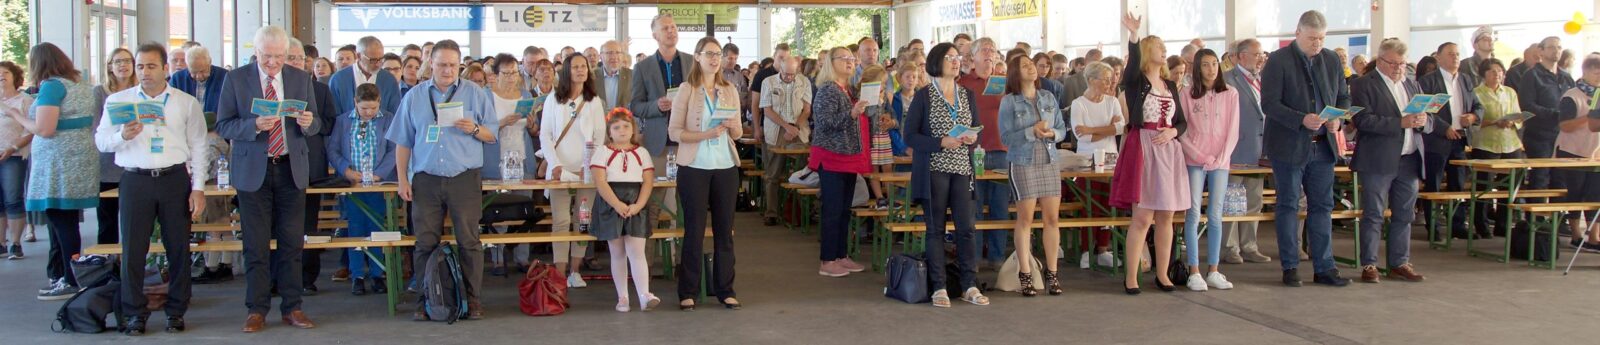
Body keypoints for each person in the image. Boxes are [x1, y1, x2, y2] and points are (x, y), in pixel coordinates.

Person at [94, 42, 208, 335]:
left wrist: (198, 189)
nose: (144, 72)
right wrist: (122, 134)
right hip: (135, 179)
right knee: (133, 249)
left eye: (151, 66)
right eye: (140, 66)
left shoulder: (185, 102)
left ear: (165, 68)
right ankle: (134, 313)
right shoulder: (119, 101)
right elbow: (101, 141)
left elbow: (198, 146)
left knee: (178, 248)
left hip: (174, 179)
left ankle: (176, 311)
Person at [214, 26, 321, 332]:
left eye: (279, 56)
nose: (273, 63)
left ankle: (293, 307)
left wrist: (308, 121)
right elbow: (223, 125)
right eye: (267, 56)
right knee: (256, 245)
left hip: (291, 169)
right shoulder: (236, 79)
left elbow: (315, 125)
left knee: (291, 243)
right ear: (256, 52)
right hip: (253, 171)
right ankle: (257, 309)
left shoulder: (301, 78)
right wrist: (253, 126)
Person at [385, 39, 496, 321]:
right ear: (430, 64)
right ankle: (425, 302)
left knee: (470, 241)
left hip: (464, 178)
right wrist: (402, 180)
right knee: (424, 242)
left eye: (452, 65)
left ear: (459, 65)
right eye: (441, 64)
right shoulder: (414, 96)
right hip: (426, 180)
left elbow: (491, 134)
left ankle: (474, 301)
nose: (447, 70)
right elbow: (402, 142)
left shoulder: (476, 93)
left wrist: (474, 128)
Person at [1261, 10, 1352, 287]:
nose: (1317, 44)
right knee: (1288, 205)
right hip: (1288, 145)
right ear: (1298, 33)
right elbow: (1270, 104)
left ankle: (1325, 267)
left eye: (1322, 38)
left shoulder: (1332, 59)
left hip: (1323, 147)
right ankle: (1290, 266)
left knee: (1323, 206)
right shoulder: (1278, 61)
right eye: (1312, 38)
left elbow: (1343, 97)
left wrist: (1338, 117)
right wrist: (1301, 119)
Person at [10, 43, 100, 301]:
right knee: (67, 220)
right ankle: (66, 276)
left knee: (61, 221)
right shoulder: (81, 84)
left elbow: (45, 128)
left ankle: (70, 279)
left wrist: (17, 116)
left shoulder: (52, 86)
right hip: (79, 155)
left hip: (58, 162)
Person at [1108, 13, 1188, 295]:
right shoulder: (1136, 81)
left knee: (1166, 215)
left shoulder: (1171, 86)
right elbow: (1129, 71)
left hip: (1168, 150)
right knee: (1142, 216)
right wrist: (1134, 36)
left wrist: (1173, 133)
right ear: (1146, 51)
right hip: (1144, 147)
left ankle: (1163, 274)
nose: (1164, 51)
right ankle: (1132, 275)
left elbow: (1182, 122)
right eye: (1158, 46)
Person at [906, 42, 987, 308]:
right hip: (934, 170)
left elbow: (977, 130)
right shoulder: (924, 96)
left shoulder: (967, 95)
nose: (955, 61)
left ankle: (969, 285)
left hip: (962, 169)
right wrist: (940, 142)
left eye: (957, 57)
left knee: (967, 229)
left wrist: (972, 137)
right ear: (937, 62)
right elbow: (911, 137)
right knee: (936, 230)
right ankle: (939, 285)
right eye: (950, 57)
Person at [667, 36, 744, 311]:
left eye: (718, 54)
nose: (715, 58)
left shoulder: (730, 89)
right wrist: (705, 134)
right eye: (709, 53)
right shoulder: (686, 89)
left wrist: (731, 124)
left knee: (725, 231)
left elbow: (738, 133)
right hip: (694, 168)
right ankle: (687, 291)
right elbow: (674, 132)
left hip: (725, 166)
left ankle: (726, 289)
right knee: (695, 231)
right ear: (697, 57)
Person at [1349, 38, 1432, 283]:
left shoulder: (1412, 86)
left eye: (1402, 63)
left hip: (1409, 159)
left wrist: (1424, 121)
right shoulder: (1364, 84)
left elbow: (1430, 121)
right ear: (1381, 60)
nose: (1398, 68)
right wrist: (1400, 123)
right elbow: (1363, 121)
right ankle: (1369, 264)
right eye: (1393, 63)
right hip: (1377, 159)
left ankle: (1399, 262)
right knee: (1374, 213)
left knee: (1404, 214)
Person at [999, 53, 1068, 296]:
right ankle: (1025, 272)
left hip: (1049, 159)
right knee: (1025, 219)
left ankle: (1052, 273)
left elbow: (1061, 128)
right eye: (1025, 66)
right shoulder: (1010, 102)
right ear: (1015, 73)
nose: (1032, 68)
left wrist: (1053, 135)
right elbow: (1006, 138)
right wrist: (1032, 130)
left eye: (1032, 65)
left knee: (1052, 219)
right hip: (1023, 161)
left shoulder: (1048, 97)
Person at [1175, 48, 1239, 291]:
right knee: (1192, 214)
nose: (1211, 69)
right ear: (1197, 68)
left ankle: (1214, 269)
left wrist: (1221, 157)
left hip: (1220, 163)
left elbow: (1233, 130)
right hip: (1194, 161)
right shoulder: (1187, 94)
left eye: (1214, 64)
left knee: (1215, 215)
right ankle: (1194, 271)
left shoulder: (1230, 93)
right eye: (1205, 64)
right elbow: (1181, 130)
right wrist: (1200, 155)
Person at [540, 53, 606, 288]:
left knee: (583, 219)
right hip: (559, 169)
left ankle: (575, 271)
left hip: (585, 171)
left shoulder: (594, 101)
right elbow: (545, 135)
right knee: (560, 220)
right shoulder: (553, 99)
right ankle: (559, 273)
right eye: (576, 67)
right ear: (567, 71)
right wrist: (555, 164)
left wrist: (587, 166)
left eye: (584, 66)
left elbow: (599, 136)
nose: (580, 70)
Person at [327, 83, 396, 296]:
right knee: (354, 228)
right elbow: (333, 149)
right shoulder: (342, 121)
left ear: (379, 104)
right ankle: (357, 274)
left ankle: (378, 273)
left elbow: (395, 150)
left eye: (373, 108)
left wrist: (379, 174)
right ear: (355, 103)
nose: (369, 112)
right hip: (352, 185)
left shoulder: (388, 119)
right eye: (364, 108)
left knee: (377, 226)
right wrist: (346, 171)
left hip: (377, 183)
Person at [810, 46, 871, 278]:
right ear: (831, 63)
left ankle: (841, 255)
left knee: (845, 209)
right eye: (843, 58)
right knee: (833, 210)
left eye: (851, 58)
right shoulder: (827, 89)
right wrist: (852, 114)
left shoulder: (848, 89)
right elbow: (824, 123)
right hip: (832, 156)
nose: (849, 62)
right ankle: (827, 260)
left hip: (847, 156)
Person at [591, 108, 659, 312]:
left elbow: (648, 182)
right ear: (609, 131)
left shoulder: (642, 153)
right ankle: (623, 297)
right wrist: (617, 204)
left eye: (626, 126)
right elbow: (600, 182)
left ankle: (644, 294)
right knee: (617, 252)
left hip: (635, 200)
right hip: (611, 202)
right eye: (616, 127)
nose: (622, 131)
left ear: (633, 130)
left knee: (637, 250)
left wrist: (638, 205)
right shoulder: (602, 152)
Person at [631, 14, 693, 236]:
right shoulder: (643, 67)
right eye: (665, 28)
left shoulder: (691, 61)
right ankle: (646, 263)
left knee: (687, 203)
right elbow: (635, 106)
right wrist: (656, 106)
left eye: (674, 27)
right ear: (655, 35)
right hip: (657, 144)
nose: (671, 31)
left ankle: (683, 264)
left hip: (687, 141)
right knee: (654, 204)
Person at [955, 37, 1011, 268]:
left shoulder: (1004, 83)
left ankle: (997, 257)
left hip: (1000, 149)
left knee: (1000, 207)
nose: (989, 54)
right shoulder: (963, 83)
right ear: (973, 56)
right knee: (973, 207)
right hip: (971, 151)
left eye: (993, 50)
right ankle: (974, 258)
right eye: (984, 50)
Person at [1419, 42, 1482, 241]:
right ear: (1438, 57)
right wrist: (1443, 127)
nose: (1455, 58)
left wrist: (1472, 117)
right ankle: (1434, 226)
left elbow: (1478, 106)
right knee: (1434, 185)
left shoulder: (1466, 80)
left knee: (1458, 184)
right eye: (1450, 54)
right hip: (1437, 140)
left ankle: (1457, 225)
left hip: (1460, 139)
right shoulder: (1428, 81)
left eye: (1457, 54)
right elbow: (1424, 110)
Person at [1219, 38, 1273, 264]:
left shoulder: (1264, 80)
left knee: (1254, 199)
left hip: (1260, 149)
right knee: (1232, 199)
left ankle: (1250, 246)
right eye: (1256, 54)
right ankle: (1229, 248)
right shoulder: (1227, 80)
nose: (1261, 58)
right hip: (1236, 148)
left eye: (1261, 54)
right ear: (1241, 56)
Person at [1069, 61, 1124, 269]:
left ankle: (1102, 248)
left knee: (1108, 205)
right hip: (1086, 161)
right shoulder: (1079, 103)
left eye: (1111, 79)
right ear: (1092, 80)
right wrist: (1107, 128)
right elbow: (1081, 135)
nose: (1110, 83)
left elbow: (1120, 128)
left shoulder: (1112, 101)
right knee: (1088, 206)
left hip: (1111, 160)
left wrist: (1094, 129)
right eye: (1105, 79)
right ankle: (1085, 249)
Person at [1468, 59, 1526, 240]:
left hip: (1510, 143)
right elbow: (1474, 120)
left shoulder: (1509, 92)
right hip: (1486, 143)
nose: (1497, 75)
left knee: (1509, 186)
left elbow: (1519, 115)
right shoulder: (1476, 93)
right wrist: (1494, 122)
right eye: (1492, 71)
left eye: (1500, 71)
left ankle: (1503, 224)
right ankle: (1481, 224)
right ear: (1484, 74)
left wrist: (1513, 121)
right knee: (1483, 186)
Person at [1516, 37, 1574, 202]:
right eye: (1551, 47)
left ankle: (1559, 220)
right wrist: (1555, 114)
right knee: (1540, 176)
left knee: (1561, 177)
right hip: (1539, 135)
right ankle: (1535, 220)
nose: (1556, 50)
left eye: (1559, 47)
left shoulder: (1566, 76)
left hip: (1563, 135)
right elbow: (1527, 105)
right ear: (1541, 51)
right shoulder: (1532, 75)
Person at [759, 54, 812, 225]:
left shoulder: (804, 82)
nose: (789, 77)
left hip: (798, 130)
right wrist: (786, 126)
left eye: (792, 74)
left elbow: (807, 109)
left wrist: (795, 127)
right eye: (786, 74)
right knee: (773, 174)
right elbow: (767, 110)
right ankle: (772, 212)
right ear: (779, 69)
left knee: (802, 173)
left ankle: (799, 213)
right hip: (776, 130)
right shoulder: (768, 82)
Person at [1554, 55, 1600, 249]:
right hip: (1571, 151)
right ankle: (1575, 235)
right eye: (1597, 73)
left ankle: (1594, 237)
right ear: (1586, 72)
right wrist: (1588, 116)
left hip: (1595, 152)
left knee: (1595, 194)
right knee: (1575, 193)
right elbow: (1564, 125)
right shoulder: (1571, 95)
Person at [95, 48, 136, 247]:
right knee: (107, 220)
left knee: (134, 220)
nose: (123, 65)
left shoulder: (142, 90)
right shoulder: (99, 92)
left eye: (127, 61)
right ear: (110, 66)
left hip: (136, 162)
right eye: (118, 61)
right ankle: (107, 266)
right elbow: (96, 130)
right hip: (108, 166)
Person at [0, 61, 30, 259]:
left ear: (14, 76)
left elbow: (31, 130)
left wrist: (13, 148)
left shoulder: (24, 100)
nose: (1, 76)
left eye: (5, 73)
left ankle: (16, 243)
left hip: (14, 155)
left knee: (12, 199)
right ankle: (1, 243)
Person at [331, 37, 403, 119]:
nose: (378, 64)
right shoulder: (338, 79)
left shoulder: (389, 80)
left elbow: (395, 114)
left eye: (381, 59)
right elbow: (334, 115)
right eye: (373, 60)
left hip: (382, 130)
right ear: (358, 56)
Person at [170, 46, 229, 116]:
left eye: (202, 71)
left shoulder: (225, 76)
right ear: (187, 66)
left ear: (209, 62)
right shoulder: (177, 79)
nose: (198, 76)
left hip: (216, 124)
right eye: (194, 72)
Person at [597, 41, 635, 110]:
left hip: (624, 119)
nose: (614, 57)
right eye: (610, 53)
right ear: (601, 56)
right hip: (598, 119)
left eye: (618, 53)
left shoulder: (632, 76)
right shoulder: (591, 77)